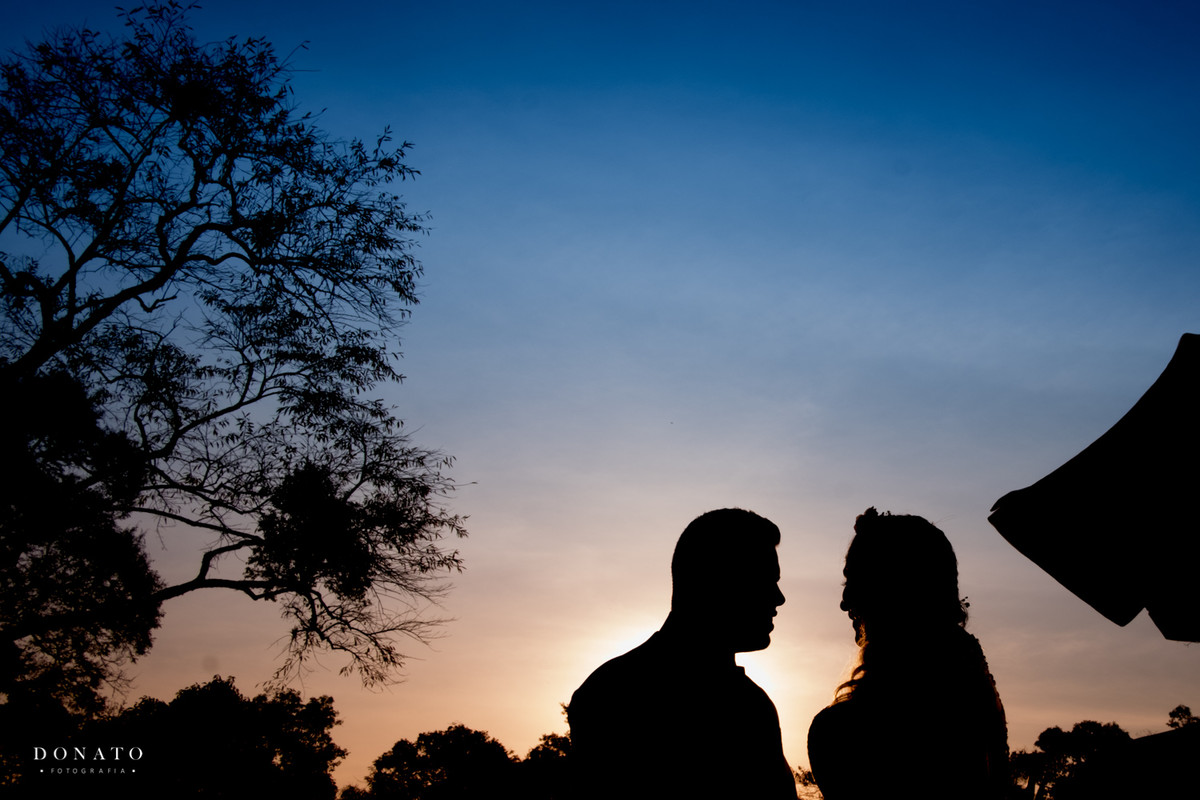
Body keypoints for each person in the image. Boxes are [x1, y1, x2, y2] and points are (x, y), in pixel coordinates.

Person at [568, 508, 797, 799]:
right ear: (719, 581)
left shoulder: (607, 687)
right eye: (764, 580)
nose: (779, 598)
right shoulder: (613, 694)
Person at [806, 508, 1009, 800]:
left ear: (892, 588)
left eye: (854, 582)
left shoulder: (842, 733)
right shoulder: (973, 696)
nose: (844, 601)